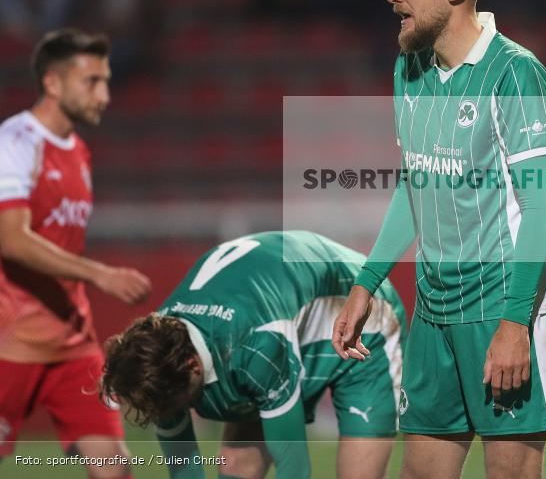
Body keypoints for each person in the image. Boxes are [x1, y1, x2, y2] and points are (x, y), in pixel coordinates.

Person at [332, 0, 546, 479]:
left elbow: (541, 208)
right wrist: (366, 282)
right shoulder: (409, 68)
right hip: (434, 311)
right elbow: (417, 184)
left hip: (502, 308)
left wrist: (515, 325)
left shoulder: (516, 73)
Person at [100, 231, 406, 479]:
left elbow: (294, 469)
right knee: (236, 465)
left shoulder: (254, 348)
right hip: (280, 321)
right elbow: (184, 469)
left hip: (362, 319)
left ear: (193, 366)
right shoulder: (156, 356)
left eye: (177, 405)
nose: (168, 413)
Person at [0, 28, 151, 478]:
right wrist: (100, 274)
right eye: (91, 82)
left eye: (106, 81)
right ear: (52, 82)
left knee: (115, 468)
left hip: (73, 345)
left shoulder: (79, 152)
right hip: (10, 343)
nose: (104, 95)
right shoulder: (15, 143)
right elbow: (11, 239)